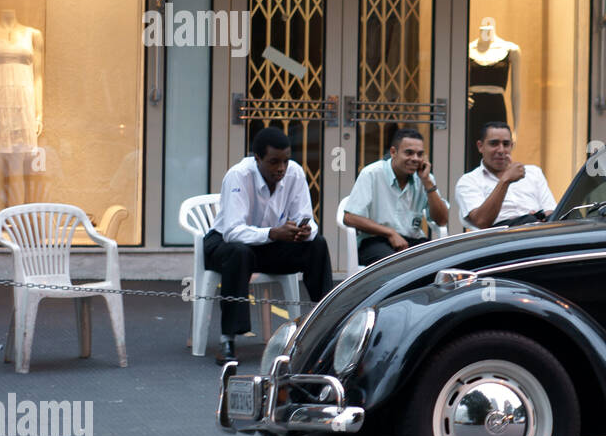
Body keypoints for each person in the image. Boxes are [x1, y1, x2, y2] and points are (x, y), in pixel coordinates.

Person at [204, 127, 333, 364]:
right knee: (238, 253)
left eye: (285, 160)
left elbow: (307, 217)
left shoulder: (294, 173)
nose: (281, 168)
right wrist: (274, 233)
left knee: (318, 244)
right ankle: (228, 339)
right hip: (225, 245)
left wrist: (305, 231)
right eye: (274, 162)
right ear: (257, 159)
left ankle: (326, 320)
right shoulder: (239, 175)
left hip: (270, 245)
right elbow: (233, 232)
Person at [342, 128, 449, 267]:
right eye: (409, 153)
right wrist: (390, 233)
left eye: (420, 154)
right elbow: (350, 217)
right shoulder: (372, 173)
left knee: (442, 263)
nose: (415, 158)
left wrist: (428, 183)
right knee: (396, 265)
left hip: (413, 241)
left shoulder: (425, 178)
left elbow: (441, 220)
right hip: (375, 241)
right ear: (393, 152)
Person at [454, 121, 557, 229]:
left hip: (537, 231)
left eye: (506, 144)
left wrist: (541, 217)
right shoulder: (469, 181)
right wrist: (505, 180)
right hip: (501, 239)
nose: (501, 150)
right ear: (480, 146)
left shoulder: (533, 173)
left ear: (511, 146)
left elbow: (551, 211)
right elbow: (482, 222)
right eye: (494, 144)